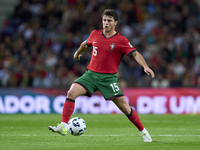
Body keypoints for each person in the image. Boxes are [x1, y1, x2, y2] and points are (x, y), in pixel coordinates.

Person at [48, 9, 155, 142]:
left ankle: (144, 132)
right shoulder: (95, 34)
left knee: (125, 108)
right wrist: (77, 53)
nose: (106, 23)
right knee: (71, 93)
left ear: (115, 23)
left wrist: (145, 66)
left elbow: (135, 53)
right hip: (91, 75)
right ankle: (63, 126)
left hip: (108, 79)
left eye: (109, 21)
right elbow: (85, 44)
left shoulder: (121, 40)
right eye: (104, 20)